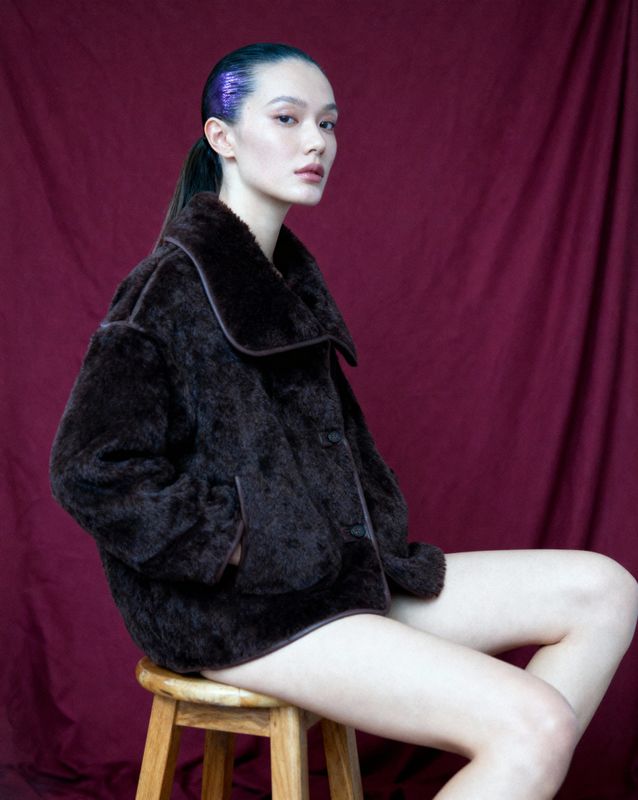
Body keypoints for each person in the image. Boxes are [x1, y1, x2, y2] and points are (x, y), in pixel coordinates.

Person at [49, 42, 638, 799]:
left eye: (327, 124)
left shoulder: (282, 280)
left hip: (336, 577)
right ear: (220, 136)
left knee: (605, 589)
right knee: (535, 724)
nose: (316, 142)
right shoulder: (169, 287)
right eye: (288, 118)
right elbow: (89, 470)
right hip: (243, 613)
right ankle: (521, 752)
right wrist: (238, 545)